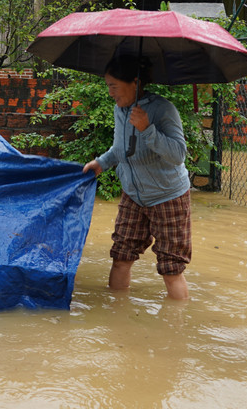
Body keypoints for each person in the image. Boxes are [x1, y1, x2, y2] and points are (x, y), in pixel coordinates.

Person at [82, 54, 192, 300]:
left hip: (168, 197)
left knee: (171, 269)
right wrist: (101, 163)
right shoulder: (119, 110)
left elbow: (178, 154)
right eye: (107, 85)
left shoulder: (163, 109)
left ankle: (177, 331)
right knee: (121, 257)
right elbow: (120, 149)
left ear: (135, 82)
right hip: (133, 195)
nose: (110, 92)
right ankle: (117, 321)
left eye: (113, 85)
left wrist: (147, 129)